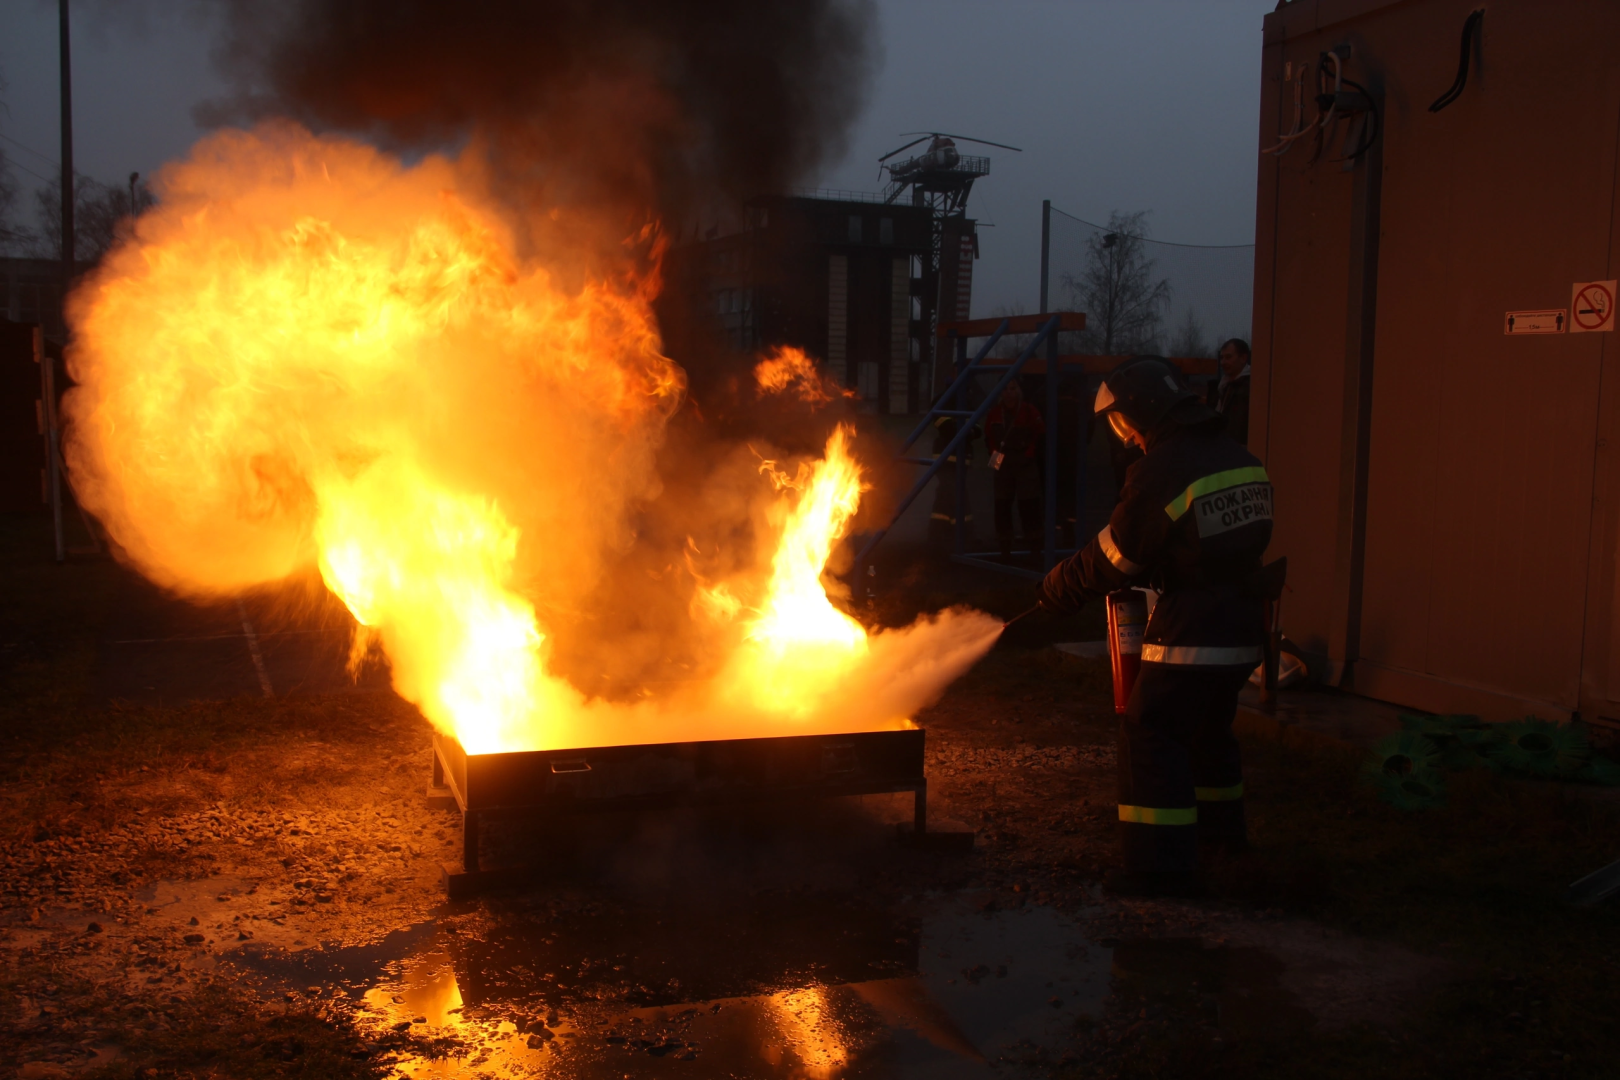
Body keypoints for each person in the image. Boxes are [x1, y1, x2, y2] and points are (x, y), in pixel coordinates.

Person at [1036, 356, 1275, 897]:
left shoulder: (1164, 469)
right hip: (1242, 625)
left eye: (1123, 423)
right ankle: (1222, 844)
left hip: (1193, 628)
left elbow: (1116, 558)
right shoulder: (1238, 457)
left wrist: (1059, 587)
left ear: (1143, 410)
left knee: (1151, 731)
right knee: (1210, 732)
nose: (1126, 437)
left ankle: (1158, 869)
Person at [984, 379, 1045, 564]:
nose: (1009, 392)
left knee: (1029, 507)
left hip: (1025, 463)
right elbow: (988, 437)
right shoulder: (994, 413)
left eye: (1013, 388)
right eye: (1005, 389)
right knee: (1002, 506)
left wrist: (1029, 454)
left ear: (1019, 391)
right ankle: (1005, 550)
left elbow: (1040, 433)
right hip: (1003, 464)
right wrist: (995, 456)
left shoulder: (1029, 411)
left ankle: (1035, 551)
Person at [927, 415, 978, 552]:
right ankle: (950, 539)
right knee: (950, 495)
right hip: (946, 459)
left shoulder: (967, 401)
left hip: (961, 461)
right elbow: (948, 429)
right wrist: (966, 432)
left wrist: (968, 432)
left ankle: (950, 539)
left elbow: (977, 431)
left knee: (953, 497)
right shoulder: (945, 401)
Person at [1208, 338, 1252, 446]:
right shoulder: (1222, 386)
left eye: (1228, 357)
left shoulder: (1251, 387)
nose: (1223, 362)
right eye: (1221, 358)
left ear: (1243, 358)